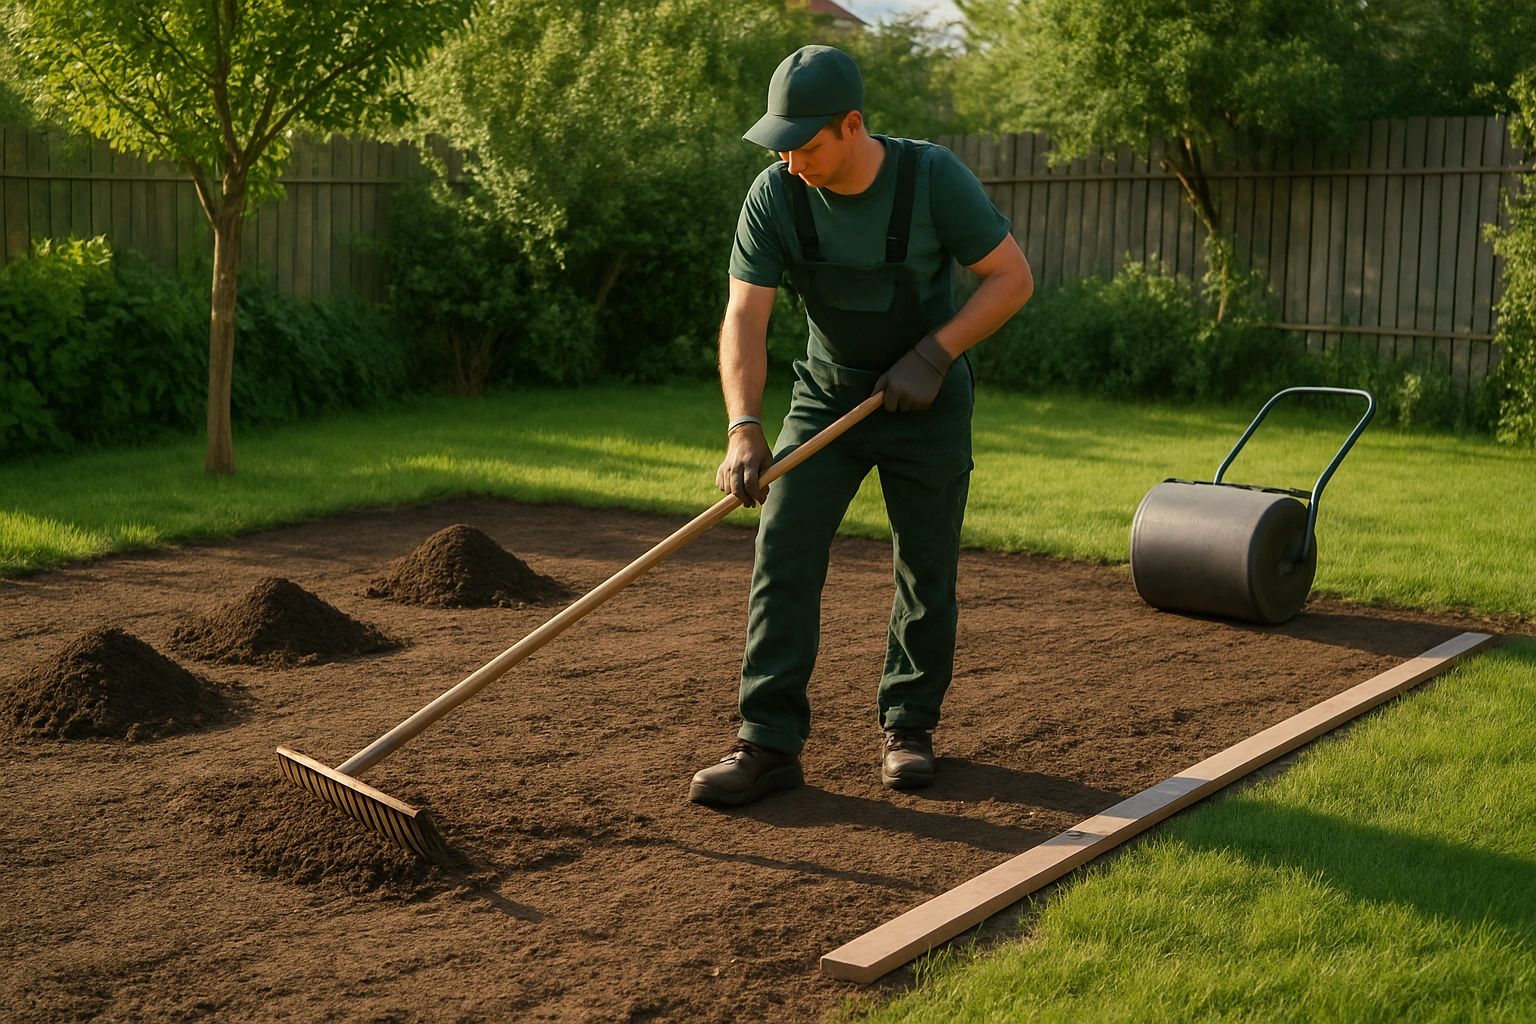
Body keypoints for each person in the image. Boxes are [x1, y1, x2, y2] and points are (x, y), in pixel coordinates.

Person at [689, 45, 1033, 807]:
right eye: (780, 143)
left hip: (927, 399)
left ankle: (908, 726)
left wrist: (936, 354)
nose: (789, 160)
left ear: (852, 127)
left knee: (926, 565)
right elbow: (745, 316)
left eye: (805, 144)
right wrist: (744, 425)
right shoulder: (775, 195)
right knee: (783, 551)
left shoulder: (932, 179)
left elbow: (1012, 278)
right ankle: (768, 744)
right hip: (826, 398)